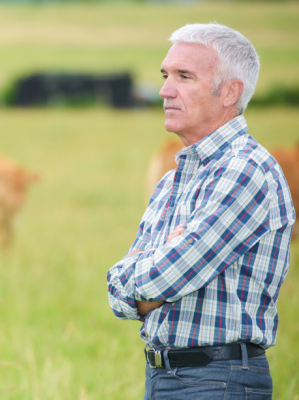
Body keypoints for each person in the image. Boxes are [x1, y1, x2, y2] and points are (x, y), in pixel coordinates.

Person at [106, 23, 295, 399]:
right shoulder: (173, 181)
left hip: (217, 380)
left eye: (184, 76)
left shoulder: (245, 171)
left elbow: (167, 275)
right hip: (163, 377)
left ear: (229, 92)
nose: (164, 90)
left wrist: (154, 270)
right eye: (165, 75)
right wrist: (160, 266)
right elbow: (115, 290)